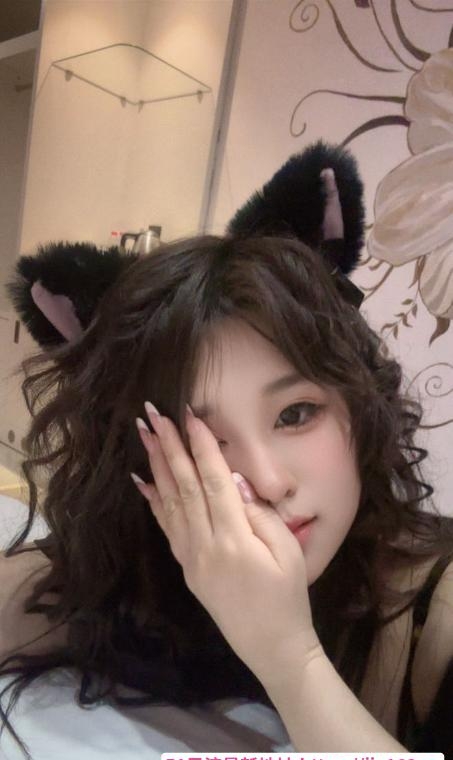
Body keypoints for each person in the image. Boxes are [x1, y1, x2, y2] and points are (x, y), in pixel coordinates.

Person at [1, 143, 453, 759]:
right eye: (205, 442)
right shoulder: (161, 549)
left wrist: (290, 658)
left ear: (359, 404)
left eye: (296, 414)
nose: (266, 482)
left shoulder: (436, 611)